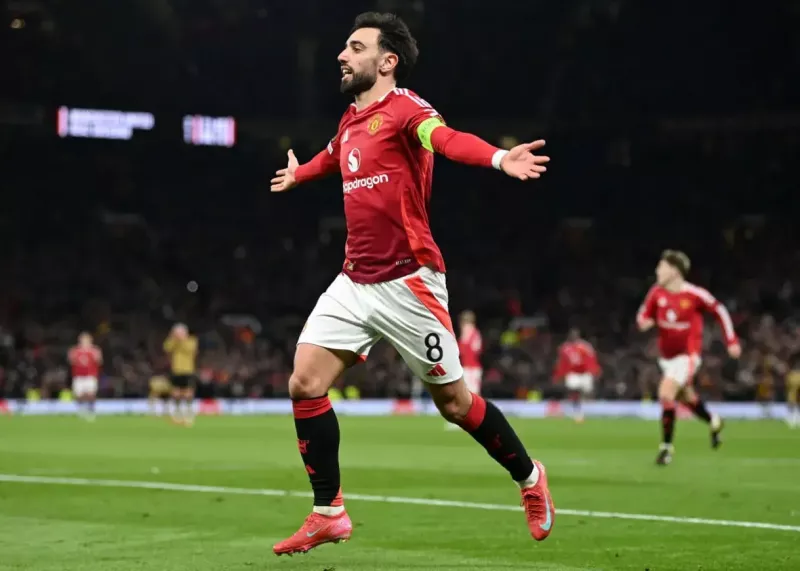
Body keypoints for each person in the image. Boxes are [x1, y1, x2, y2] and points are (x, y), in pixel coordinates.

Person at [269, 12, 554, 556]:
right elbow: (335, 156)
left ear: (387, 61)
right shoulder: (351, 120)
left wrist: (499, 158)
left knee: (455, 404)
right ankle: (329, 513)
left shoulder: (407, 110)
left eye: (356, 48)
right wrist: (300, 173)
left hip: (409, 280)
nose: (342, 55)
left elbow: (445, 140)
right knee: (304, 382)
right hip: (355, 279)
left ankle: (530, 476)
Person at [637, 250, 741, 465]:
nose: (657, 271)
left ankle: (666, 449)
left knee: (666, 393)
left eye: (661, 267)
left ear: (674, 271)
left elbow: (720, 310)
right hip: (666, 358)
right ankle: (714, 420)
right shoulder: (656, 292)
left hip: (688, 356)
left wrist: (731, 340)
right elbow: (642, 316)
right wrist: (645, 322)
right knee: (687, 398)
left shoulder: (694, 294)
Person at [552, 328, 600, 423]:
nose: (573, 336)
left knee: (588, 392)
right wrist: (558, 375)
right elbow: (561, 362)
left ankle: (589, 410)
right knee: (573, 390)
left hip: (585, 373)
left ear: (578, 336)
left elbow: (591, 359)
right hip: (573, 373)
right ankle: (576, 410)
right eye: (572, 335)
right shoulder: (565, 348)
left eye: (575, 334)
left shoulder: (585, 346)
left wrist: (594, 371)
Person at [163, 323, 198, 426]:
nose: (178, 334)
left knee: (188, 393)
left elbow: (189, 349)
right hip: (176, 370)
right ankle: (177, 415)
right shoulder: (173, 341)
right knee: (176, 393)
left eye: (180, 332)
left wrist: (181, 340)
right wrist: (173, 338)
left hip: (188, 370)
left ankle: (189, 414)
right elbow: (167, 347)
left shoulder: (191, 341)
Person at [67, 332, 102, 421]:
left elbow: (99, 361)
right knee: (79, 395)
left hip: (90, 375)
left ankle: (91, 410)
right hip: (79, 376)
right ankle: (81, 410)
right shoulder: (75, 350)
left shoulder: (94, 350)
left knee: (91, 394)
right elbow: (70, 361)